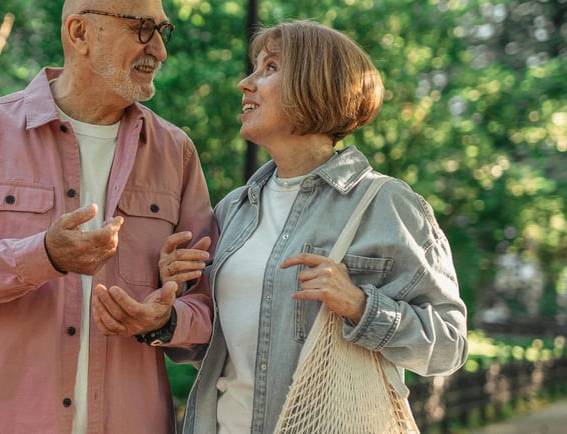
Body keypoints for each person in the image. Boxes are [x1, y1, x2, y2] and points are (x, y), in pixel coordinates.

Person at [0, 1, 217, 432]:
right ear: (80, 32)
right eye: (142, 29)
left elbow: (208, 313)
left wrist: (165, 320)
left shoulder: (176, 153)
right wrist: (42, 255)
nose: (159, 50)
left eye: (163, 31)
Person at [174, 20, 469, 433]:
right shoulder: (233, 210)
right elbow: (208, 346)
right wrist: (172, 304)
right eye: (253, 68)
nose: (245, 83)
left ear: (313, 85)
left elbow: (449, 347)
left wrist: (360, 306)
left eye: (269, 68)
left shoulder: (387, 204)